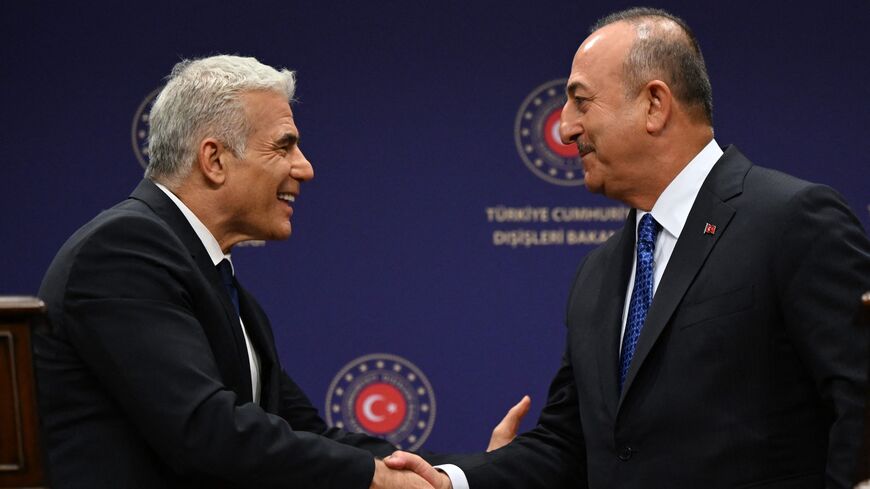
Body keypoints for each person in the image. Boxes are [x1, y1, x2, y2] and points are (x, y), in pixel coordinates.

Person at [386, 7, 870, 489]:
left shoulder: (792, 221)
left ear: (654, 105)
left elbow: (862, 406)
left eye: (580, 101)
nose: (566, 127)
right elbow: (567, 445)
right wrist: (451, 482)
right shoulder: (597, 273)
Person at [34, 55, 443, 489]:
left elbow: (309, 434)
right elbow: (206, 431)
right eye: (283, 146)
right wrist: (374, 478)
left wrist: (463, 474)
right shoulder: (121, 252)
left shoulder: (222, 286)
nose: (305, 167)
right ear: (214, 160)